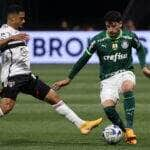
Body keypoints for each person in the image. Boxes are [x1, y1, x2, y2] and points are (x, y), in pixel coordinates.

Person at [0, 4, 102, 136]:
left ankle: (82, 124)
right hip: (13, 76)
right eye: (21, 18)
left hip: (26, 76)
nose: (24, 21)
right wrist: (11, 38)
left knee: (53, 97)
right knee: (6, 107)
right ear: (12, 18)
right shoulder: (5, 30)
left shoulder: (18, 33)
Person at [52, 11, 150, 144]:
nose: (111, 29)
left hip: (125, 72)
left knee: (128, 87)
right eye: (108, 26)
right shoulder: (98, 40)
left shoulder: (129, 36)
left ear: (120, 24)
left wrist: (143, 66)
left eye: (114, 26)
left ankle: (130, 128)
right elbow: (83, 59)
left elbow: (140, 49)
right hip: (107, 79)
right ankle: (125, 132)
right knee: (108, 108)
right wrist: (69, 78)